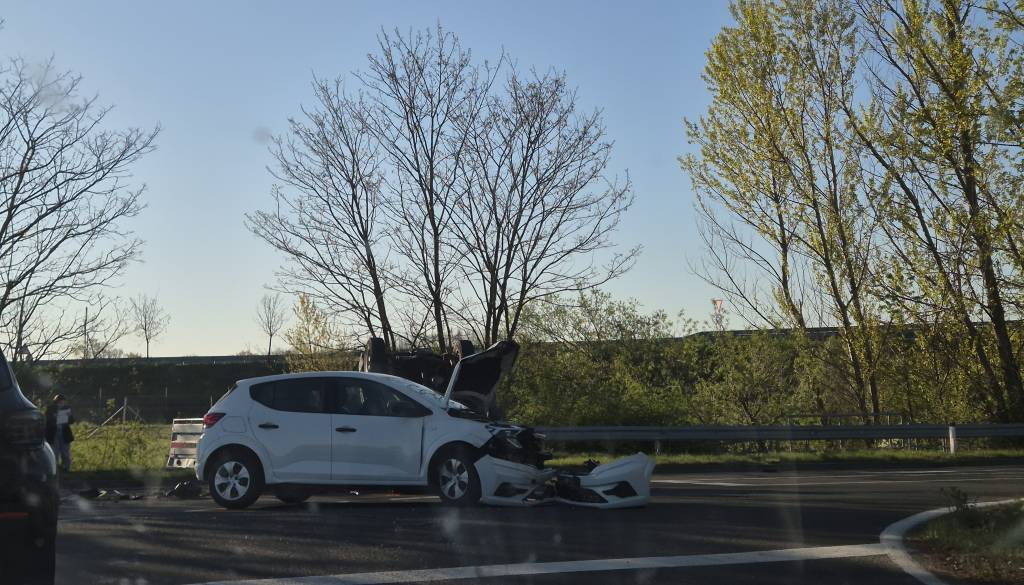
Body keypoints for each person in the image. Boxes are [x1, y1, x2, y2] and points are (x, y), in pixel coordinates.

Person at [45, 393, 74, 473]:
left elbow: (72, 421)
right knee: (55, 453)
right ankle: (55, 470)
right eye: (59, 402)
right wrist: (54, 417)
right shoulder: (50, 409)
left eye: (63, 402)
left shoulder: (66, 409)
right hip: (53, 433)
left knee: (65, 453)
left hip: (64, 433)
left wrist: (70, 416)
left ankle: (66, 469)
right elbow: (47, 421)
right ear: (56, 402)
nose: (61, 404)